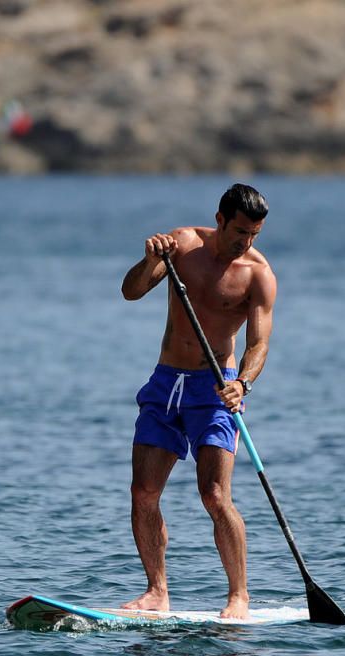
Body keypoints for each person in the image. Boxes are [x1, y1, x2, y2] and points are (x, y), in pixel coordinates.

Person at [120, 183, 277, 619]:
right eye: (240, 232)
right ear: (220, 220)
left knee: (214, 495)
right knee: (143, 492)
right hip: (167, 383)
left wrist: (242, 384)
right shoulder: (183, 246)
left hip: (216, 388)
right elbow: (131, 291)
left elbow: (259, 343)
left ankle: (239, 596)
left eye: (255, 235)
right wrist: (151, 260)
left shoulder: (257, 274)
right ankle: (157, 592)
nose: (246, 242)